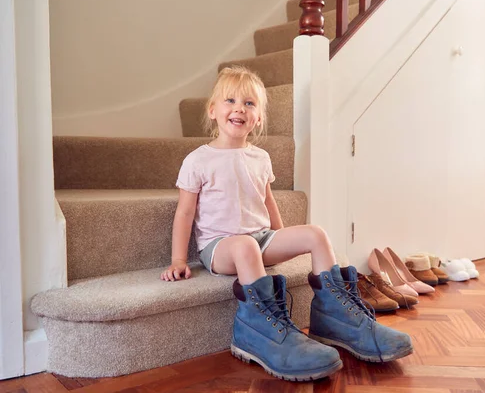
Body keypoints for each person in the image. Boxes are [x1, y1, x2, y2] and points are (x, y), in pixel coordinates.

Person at [160, 66, 413, 381]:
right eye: (230, 101)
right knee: (245, 245)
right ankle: (257, 328)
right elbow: (184, 213)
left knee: (316, 234)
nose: (239, 108)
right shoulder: (198, 160)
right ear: (213, 110)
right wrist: (178, 260)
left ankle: (336, 315)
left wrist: (282, 237)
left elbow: (267, 201)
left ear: (259, 118)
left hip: (261, 239)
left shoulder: (260, 158)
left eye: (250, 104)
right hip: (221, 247)